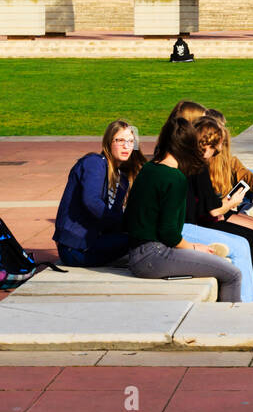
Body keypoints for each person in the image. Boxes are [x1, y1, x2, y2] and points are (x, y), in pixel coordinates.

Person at [124, 116, 243, 302]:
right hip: (154, 257)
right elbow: (169, 233)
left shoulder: (148, 169)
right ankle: (230, 326)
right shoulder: (175, 178)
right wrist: (195, 247)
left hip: (136, 253)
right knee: (233, 274)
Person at [187, 116, 253, 303]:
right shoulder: (197, 166)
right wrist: (229, 203)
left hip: (211, 213)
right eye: (216, 145)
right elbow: (210, 210)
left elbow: (244, 176)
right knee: (249, 236)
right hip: (202, 219)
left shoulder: (214, 162)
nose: (219, 150)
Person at [54, 120, 138, 267]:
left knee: (141, 236)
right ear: (108, 142)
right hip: (74, 248)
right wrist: (128, 224)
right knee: (138, 239)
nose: (126, 146)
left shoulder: (121, 179)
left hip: (94, 241)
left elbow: (114, 219)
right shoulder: (94, 163)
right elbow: (92, 201)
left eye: (131, 141)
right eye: (120, 140)